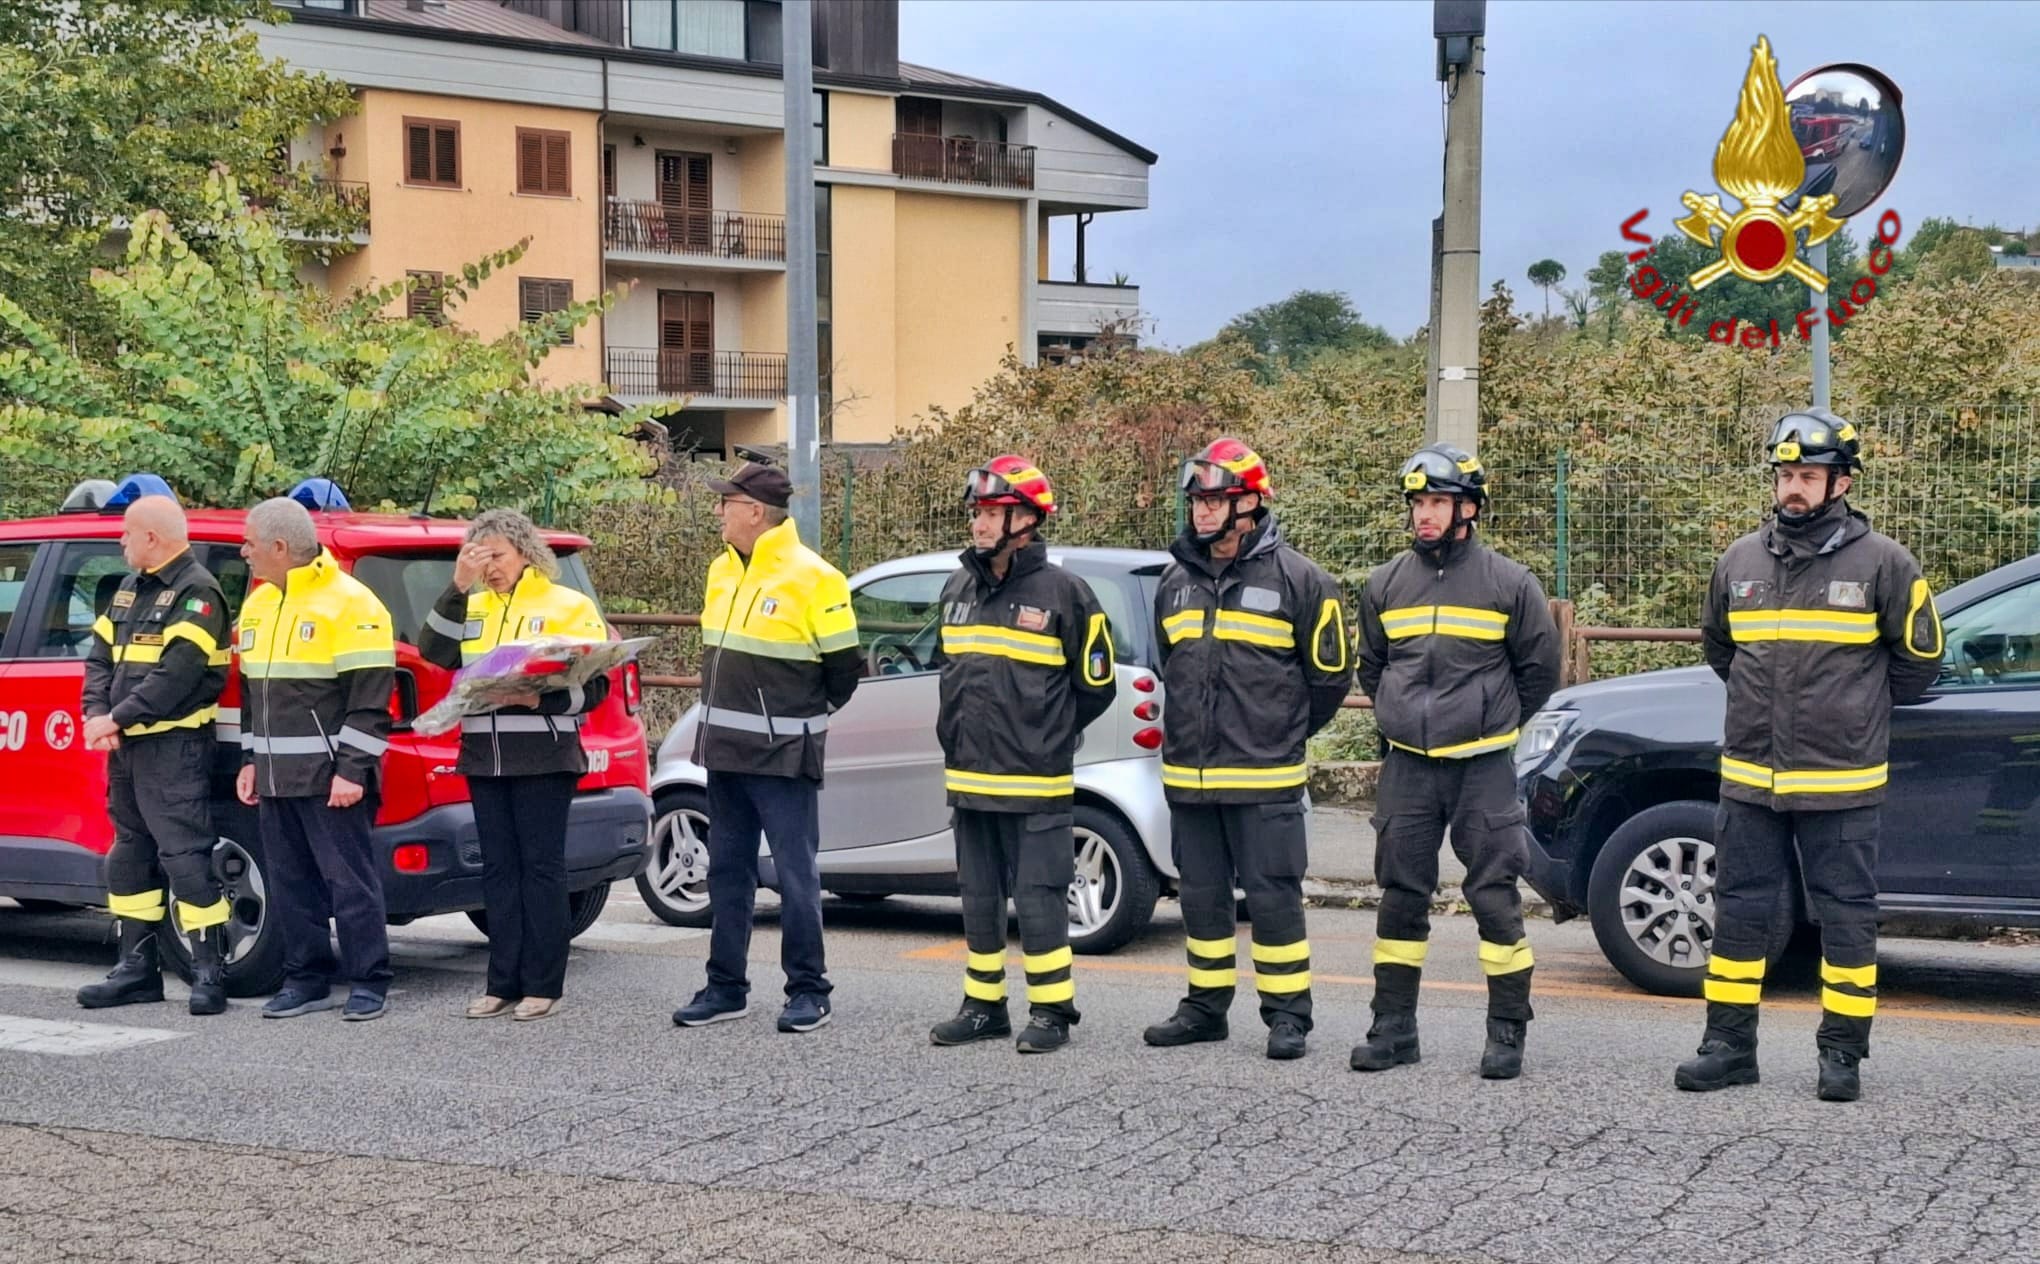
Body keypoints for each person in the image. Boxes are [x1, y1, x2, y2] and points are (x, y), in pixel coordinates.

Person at [1676, 411, 1942, 1102]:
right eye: (1786, 475)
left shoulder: (1886, 563)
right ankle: (1729, 1046)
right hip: (1750, 780)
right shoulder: (1739, 560)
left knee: (1846, 914)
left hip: (1843, 779)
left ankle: (1842, 1056)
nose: (1794, 488)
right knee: (1738, 911)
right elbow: (1720, 650)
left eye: (1808, 476)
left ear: (1841, 482)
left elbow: (1918, 664)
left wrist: (1854, 711)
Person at [1351, 444, 1561, 1080]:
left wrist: (1487, 721)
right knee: (1400, 899)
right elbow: (1374, 666)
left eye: (1437, 502)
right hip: (1408, 769)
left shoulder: (1509, 583)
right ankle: (1392, 1031)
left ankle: (1506, 1034)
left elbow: (1538, 674)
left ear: (1469, 508)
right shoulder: (1386, 583)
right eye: (1417, 503)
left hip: (1482, 768)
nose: (1424, 514)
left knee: (1494, 896)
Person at [1141, 438, 1351, 1061]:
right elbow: (1169, 665)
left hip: (1265, 778)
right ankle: (1205, 1009)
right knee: (1201, 901)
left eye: (1216, 499)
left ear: (1252, 504)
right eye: (1197, 500)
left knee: (1273, 901)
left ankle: (1288, 1017)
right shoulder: (1174, 583)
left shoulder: (1304, 581)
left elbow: (1329, 680)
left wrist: (1278, 734)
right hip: (1190, 779)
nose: (1202, 511)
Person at [928, 456, 1117, 1053]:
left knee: (1039, 900)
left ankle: (1051, 1011)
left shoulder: (1066, 593)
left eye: (993, 514)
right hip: (970, 778)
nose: (980, 525)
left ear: (1028, 520)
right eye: (978, 513)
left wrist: (1047, 734)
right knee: (979, 899)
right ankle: (984, 1006)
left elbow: (1097, 685)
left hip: (1036, 782)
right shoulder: (957, 586)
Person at [674, 460, 860, 1035]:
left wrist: (793, 721)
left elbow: (844, 672)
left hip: (783, 757)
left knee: (795, 874)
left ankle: (809, 991)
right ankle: (725, 987)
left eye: (726, 503)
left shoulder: (815, 577)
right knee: (727, 872)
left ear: (755, 511)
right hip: (725, 752)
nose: (718, 512)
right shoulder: (720, 571)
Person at [418, 509, 610, 1022]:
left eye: (497, 556)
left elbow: (596, 687)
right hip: (484, 755)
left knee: (540, 870)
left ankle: (544, 985)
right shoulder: (472, 603)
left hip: (544, 754)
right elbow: (433, 651)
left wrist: (534, 703)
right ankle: (501, 982)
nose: (491, 567)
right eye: (480, 558)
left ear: (525, 551)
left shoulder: (567, 603)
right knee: (498, 871)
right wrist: (456, 586)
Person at [235, 497, 397, 1021]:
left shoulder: (353, 603)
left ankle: (369, 980)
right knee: (289, 885)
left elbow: (372, 702)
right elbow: (249, 696)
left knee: (350, 884)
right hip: (276, 776)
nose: (244, 552)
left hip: (332, 778)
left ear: (280, 548)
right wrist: (248, 759)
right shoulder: (258, 602)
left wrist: (351, 771)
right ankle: (305, 978)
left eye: (251, 543)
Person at [76, 492, 234, 1016]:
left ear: (152, 537)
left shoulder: (198, 592)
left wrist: (114, 719)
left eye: (126, 533)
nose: (121, 541)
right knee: (129, 852)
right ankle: (136, 970)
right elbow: (99, 659)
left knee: (184, 857)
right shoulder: (128, 589)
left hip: (174, 745)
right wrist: (97, 716)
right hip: (128, 746)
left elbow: (177, 675)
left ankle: (210, 971)